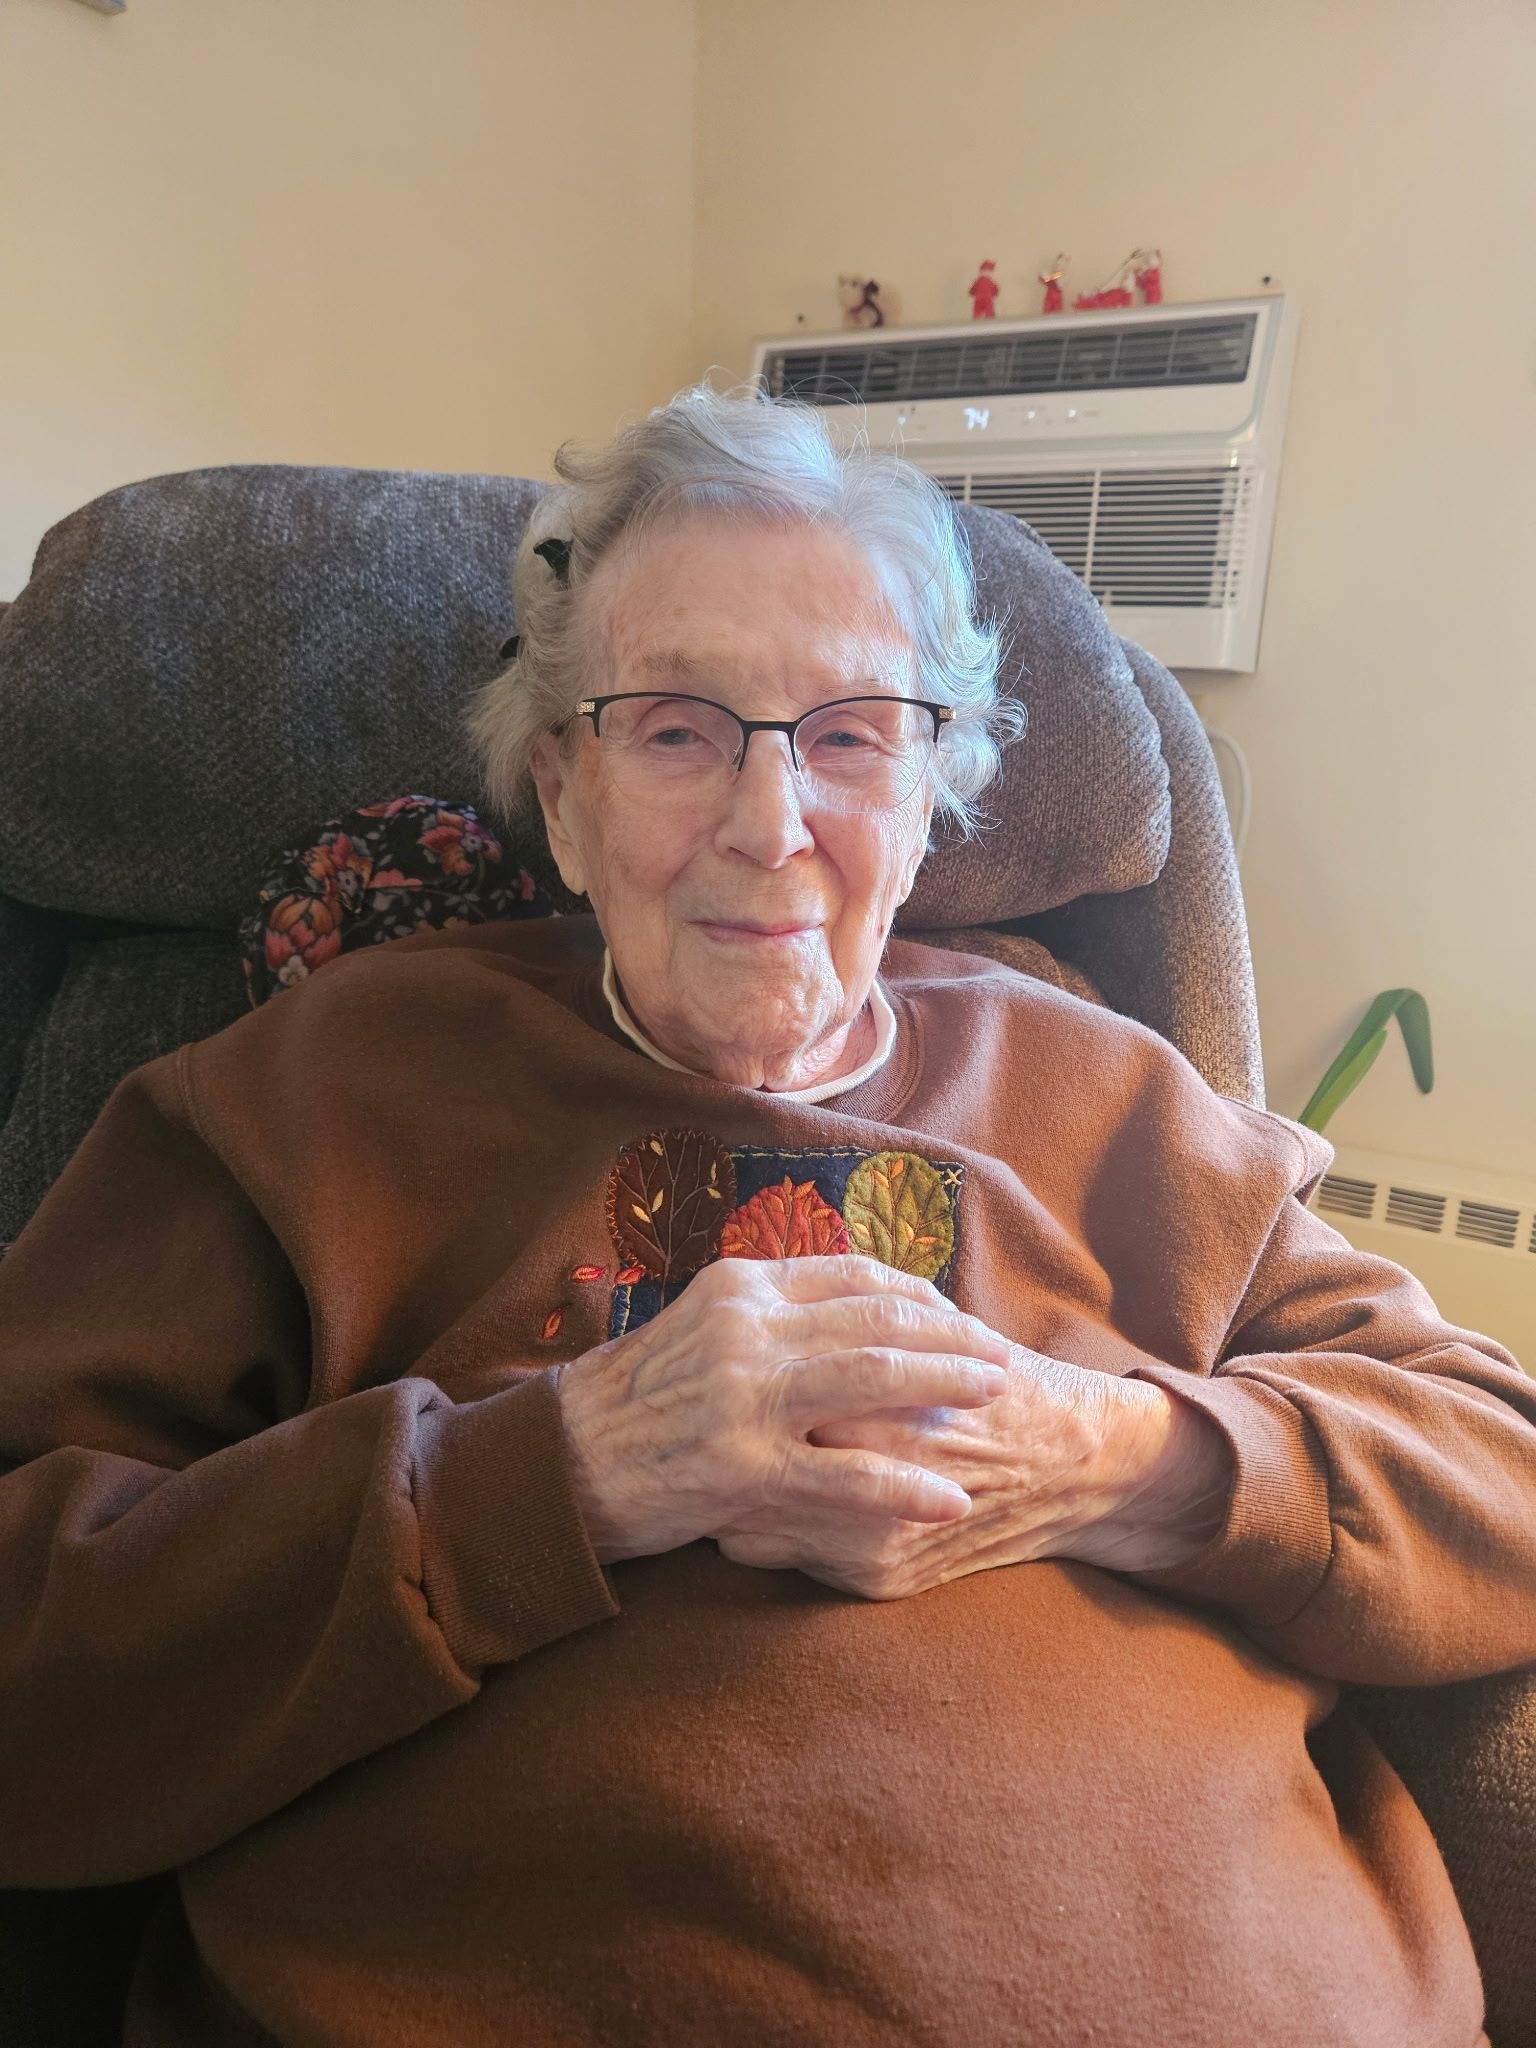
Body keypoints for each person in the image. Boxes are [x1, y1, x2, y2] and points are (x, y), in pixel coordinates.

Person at [0, 382, 1530, 2048]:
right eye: (675, 729)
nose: (770, 821)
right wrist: (552, 1478)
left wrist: (1114, 1457)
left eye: (852, 736)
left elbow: (1500, 1476)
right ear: (562, 800)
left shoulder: (1118, 1094)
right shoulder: (315, 1092)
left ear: (933, 795)